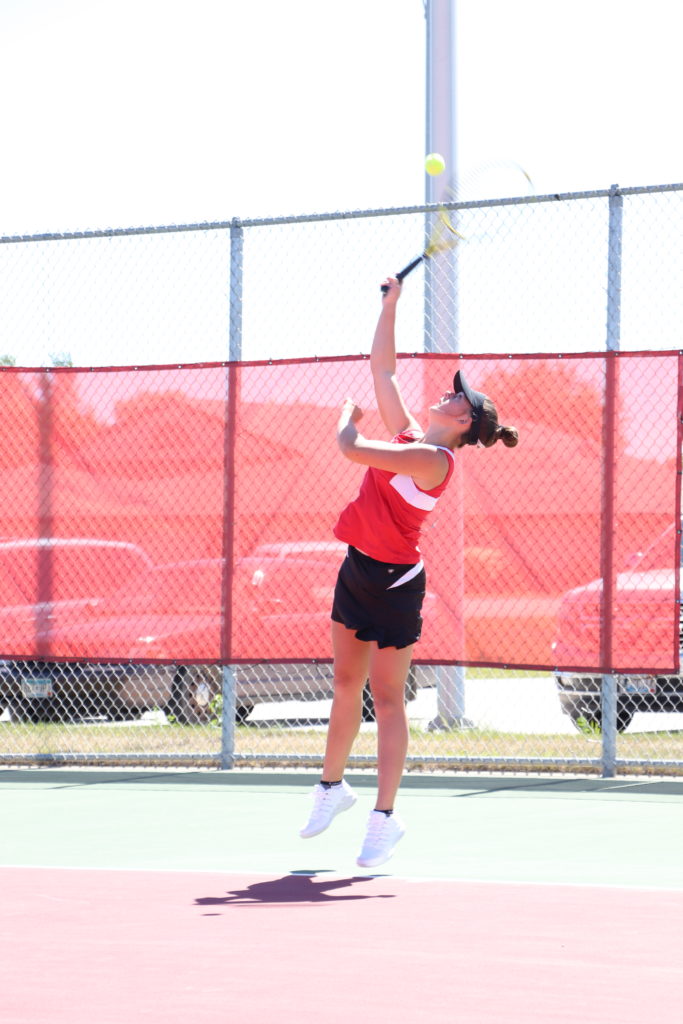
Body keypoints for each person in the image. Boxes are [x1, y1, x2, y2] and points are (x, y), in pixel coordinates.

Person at [299, 276, 519, 868]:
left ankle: (384, 819)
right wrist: (391, 305)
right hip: (357, 570)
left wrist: (346, 418)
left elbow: (351, 447)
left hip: (396, 585)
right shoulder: (411, 436)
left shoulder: (431, 459)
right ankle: (330, 788)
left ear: (466, 423)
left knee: (387, 698)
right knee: (346, 687)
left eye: (458, 400)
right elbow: (384, 371)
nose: (447, 396)